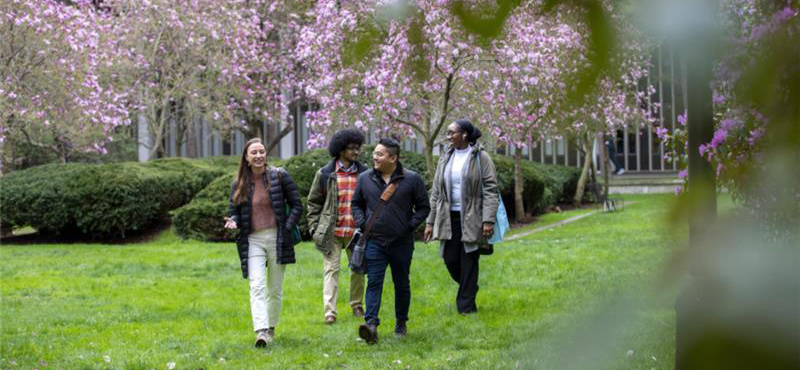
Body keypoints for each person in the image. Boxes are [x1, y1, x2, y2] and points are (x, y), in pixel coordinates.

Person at [224, 138, 303, 348]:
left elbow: (297, 205)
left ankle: (271, 327)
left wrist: (286, 228)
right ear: (247, 158)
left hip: (278, 237)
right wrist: (234, 221)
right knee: (257, 285)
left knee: (275, 288)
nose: (259, 156)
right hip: (253, 240)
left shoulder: (280, 176)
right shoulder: (239, 183)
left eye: (262, 151)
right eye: (254, 153)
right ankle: (261, 331)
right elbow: (234, 211)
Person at [351, 138, 430, 344]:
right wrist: (362, 222)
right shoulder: (364, 178)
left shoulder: (412, 179)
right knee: (374, 282)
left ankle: (401, 323)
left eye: (380, 154)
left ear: (393, 158)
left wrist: (409, 226)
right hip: (374, 242)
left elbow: (423, 207)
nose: (374, 157)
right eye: (375, 153)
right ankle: (371, 325)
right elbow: (356, 204)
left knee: (402, 283)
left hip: (402, 243)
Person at [424, 119, 499, 316]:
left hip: (473, 216)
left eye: (451, 133)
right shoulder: (445, 158)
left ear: (464, 135)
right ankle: (470, 287)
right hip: (448, 217)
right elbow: (436, 191)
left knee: (469, 260)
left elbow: (491, 190)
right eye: (448, 134)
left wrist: (488, 220)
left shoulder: (481, 158)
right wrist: (430, 221)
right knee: (450, 259)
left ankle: (465, 307)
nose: (448, 137)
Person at [307, 128, 369, 325]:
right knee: (331, 270)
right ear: (341, 150)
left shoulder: (365, 174)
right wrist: (315, 227)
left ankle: (357, 304)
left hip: (356, 231)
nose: (356, 152)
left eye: (358, 148)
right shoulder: (325, 174)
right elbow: (313, 202)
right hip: (332, 231)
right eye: (352, 148)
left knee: (358, 269)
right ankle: (330, 311)